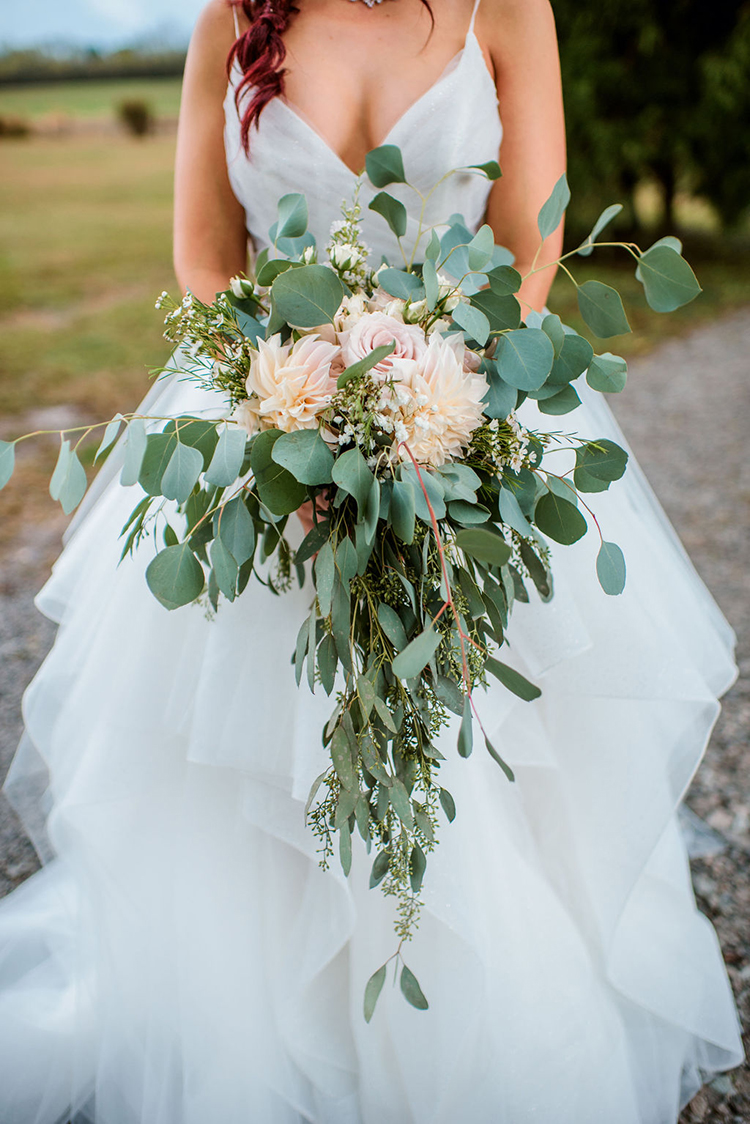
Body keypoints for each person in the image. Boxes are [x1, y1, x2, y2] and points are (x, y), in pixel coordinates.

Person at [0, 1, 743, 1121]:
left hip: (470, 406)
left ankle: (459, 1033)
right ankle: (256, 1039)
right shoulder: (228, 22)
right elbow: (205, 254)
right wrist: (284, 397)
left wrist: (436, 419)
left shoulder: (510, 10)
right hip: (265, 425)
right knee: (252, 740)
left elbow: (532, 239)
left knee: (462, 737)